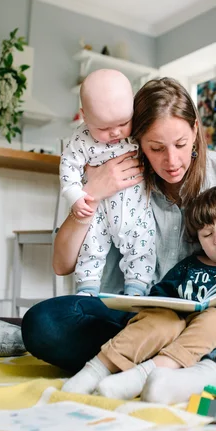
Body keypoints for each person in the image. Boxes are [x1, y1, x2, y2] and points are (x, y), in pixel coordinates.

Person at [22, 78, 216, 405]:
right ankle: (141, 362)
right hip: (138, 324)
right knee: (42, 323)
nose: (172, 160)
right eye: (156, 148)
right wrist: (92, 194)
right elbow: (62, 264)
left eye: (181, 144)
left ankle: (215, 370)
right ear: (137, 140)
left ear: (196, 130)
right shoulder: (112, 176)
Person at [61, 185, 216, 400]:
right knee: (161, 319)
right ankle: (96, 370)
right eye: (207, 234)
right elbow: (160, 293)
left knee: (215, 321)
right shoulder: (189, 266)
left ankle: (142, 376)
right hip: (169, 328)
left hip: (200, 345)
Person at [59, 68, 155, 297]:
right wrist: (75, 194)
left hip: (136, 207)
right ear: (84, 115)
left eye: (123, 123)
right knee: (90, 246)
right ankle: (87, 289)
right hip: (98, 208)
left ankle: (137, 290)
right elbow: (68, 166)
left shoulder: (139, 129)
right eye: (103, 128)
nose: (115, 133)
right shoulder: (81, 139)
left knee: (143, 243)